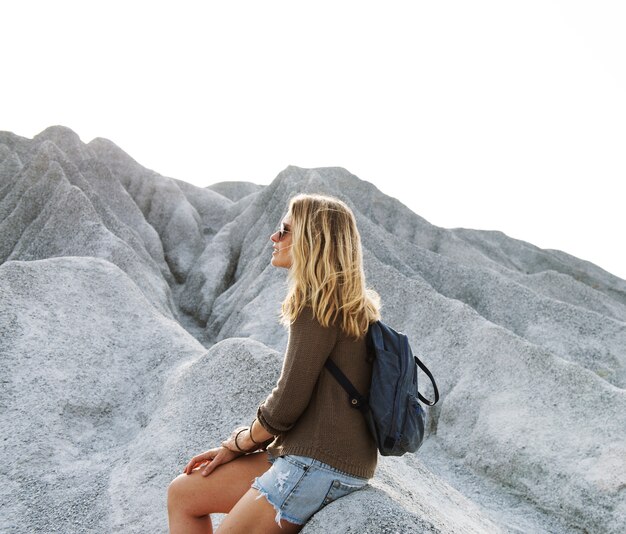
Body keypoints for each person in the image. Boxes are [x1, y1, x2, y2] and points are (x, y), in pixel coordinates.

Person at [167, 193, 381, 533]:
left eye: (284, 230)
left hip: (317, 464)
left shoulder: (316, 306)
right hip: (322, 458)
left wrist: (235, 445)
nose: (274, 237)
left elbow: (286, 404)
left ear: (312, 241)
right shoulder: (352, 306)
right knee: (183, 493)